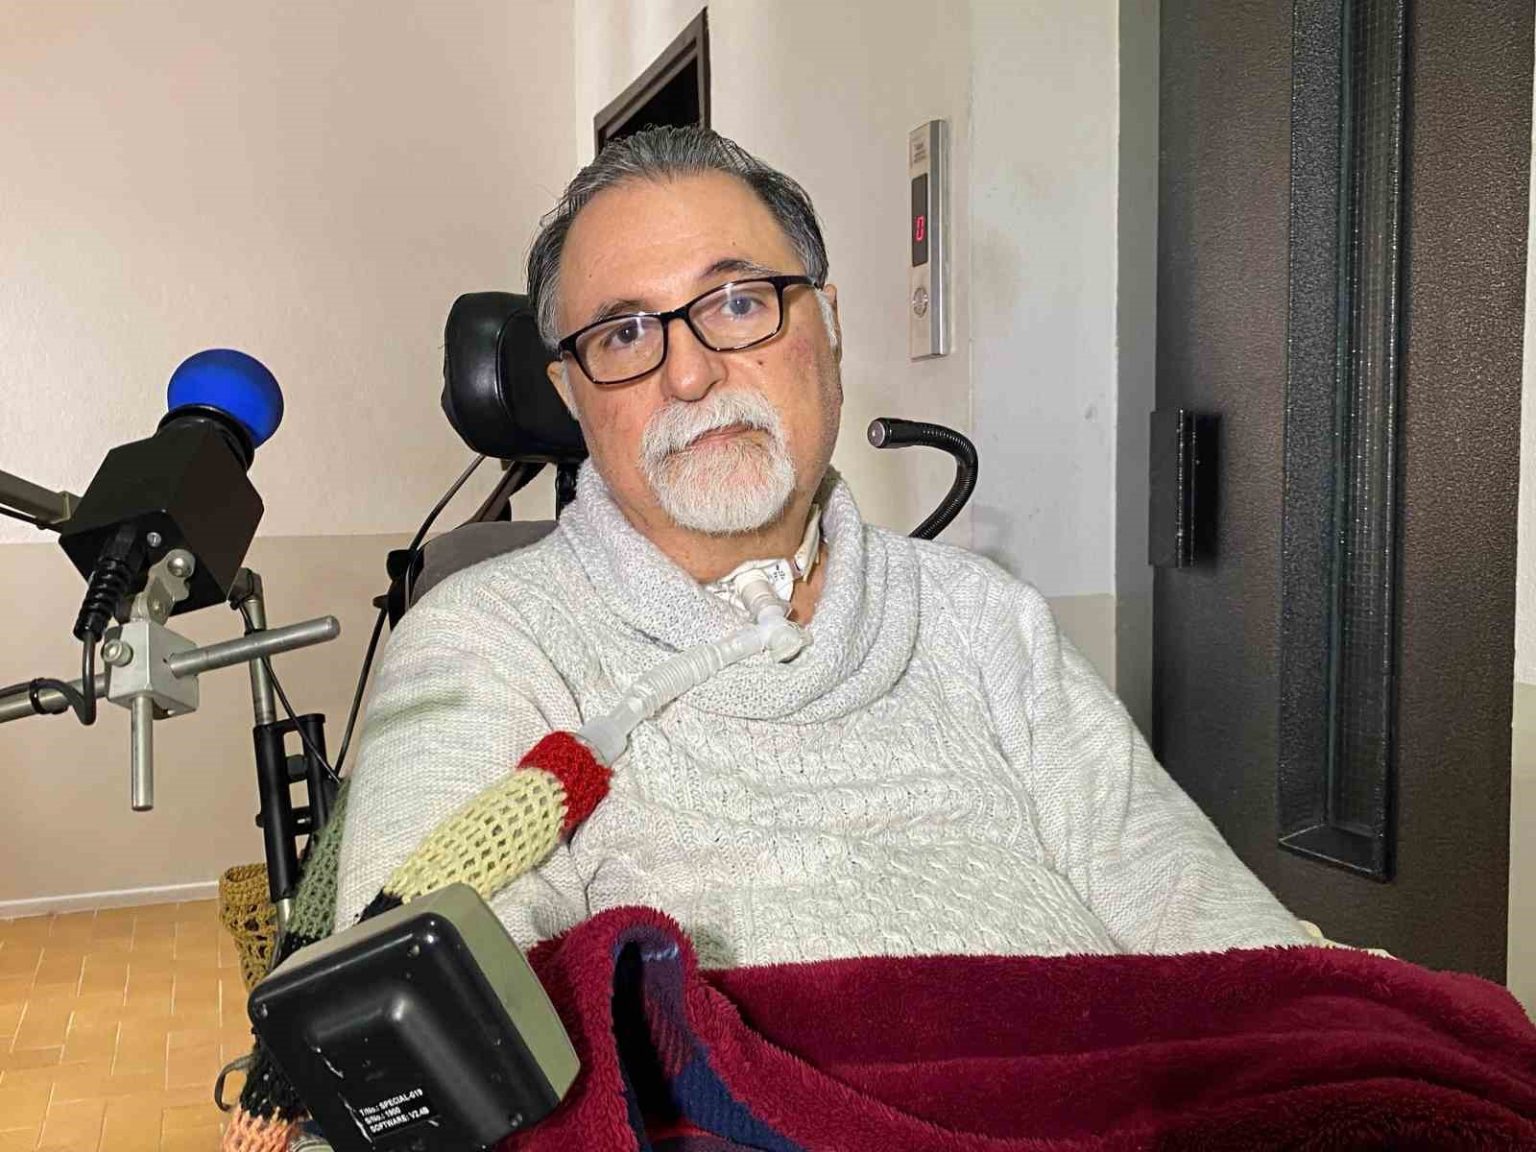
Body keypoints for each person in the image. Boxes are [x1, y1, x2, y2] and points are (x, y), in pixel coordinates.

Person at [335, 126, 1313, 968]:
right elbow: (431, 1010)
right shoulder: (484, 647)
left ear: (829, 324)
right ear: (571, 394)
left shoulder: (985, 621)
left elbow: (1205, 916)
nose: (690, 372)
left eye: (738, 302)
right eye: (625, 333)